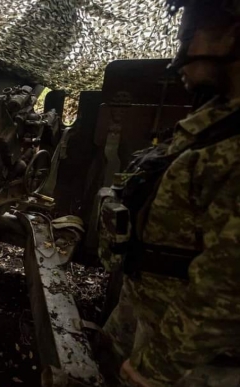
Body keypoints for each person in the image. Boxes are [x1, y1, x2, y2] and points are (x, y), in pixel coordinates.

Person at [98, 1, 240, 386]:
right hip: (149, 313)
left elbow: (226, 293)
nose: (181, 52)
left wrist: (156, 368)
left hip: (188, 357)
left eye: (192, 30)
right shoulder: (218, 120)